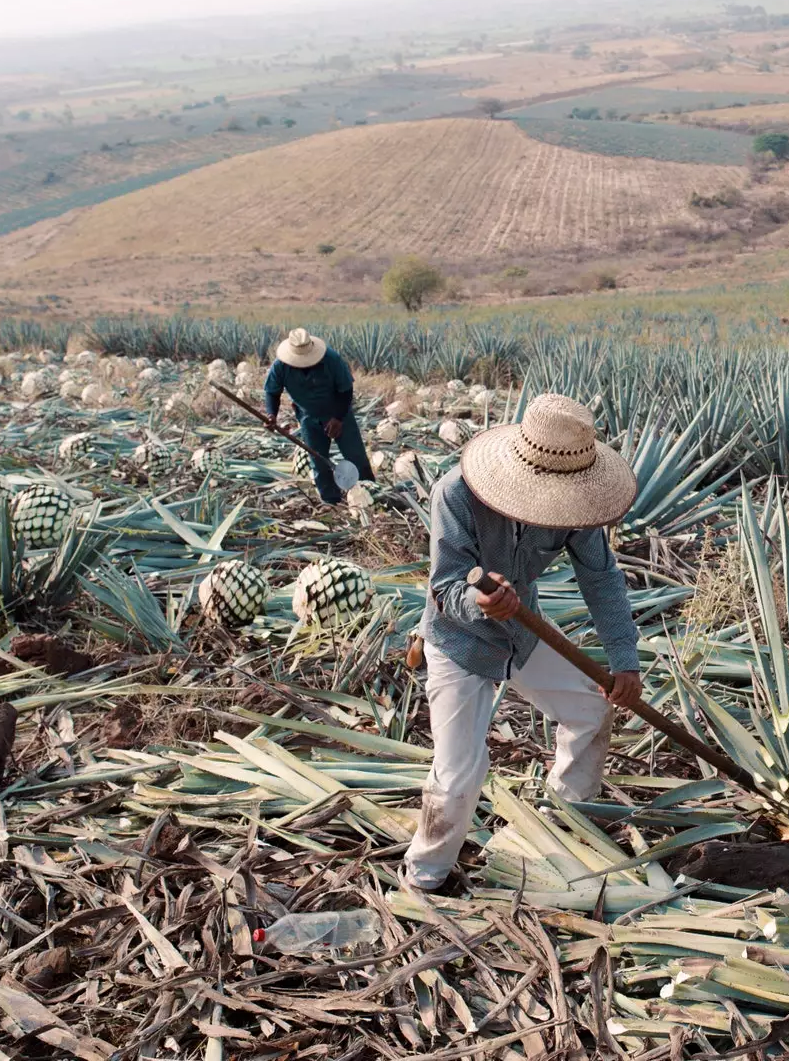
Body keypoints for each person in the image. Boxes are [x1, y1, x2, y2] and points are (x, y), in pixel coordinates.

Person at [403, 393, 643, 895]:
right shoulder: (456, 495)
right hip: (458, 640)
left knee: (589, 710)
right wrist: (482, 602)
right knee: (458, 777)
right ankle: (424, 881)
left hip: (522, 631)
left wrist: (624, 659)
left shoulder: (577, 504)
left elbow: (601, 580)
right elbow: (446, 587)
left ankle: (559, 828)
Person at [261, 328, 372, 504]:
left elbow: (346, 390)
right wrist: (271, 415)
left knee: (356, 456)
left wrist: (338, 418)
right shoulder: (281, 366)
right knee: (318, 461)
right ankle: (331, 501)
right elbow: (272, 392)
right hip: (308, 416)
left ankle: (371, 494)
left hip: (339, 413)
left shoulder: (331, 359)